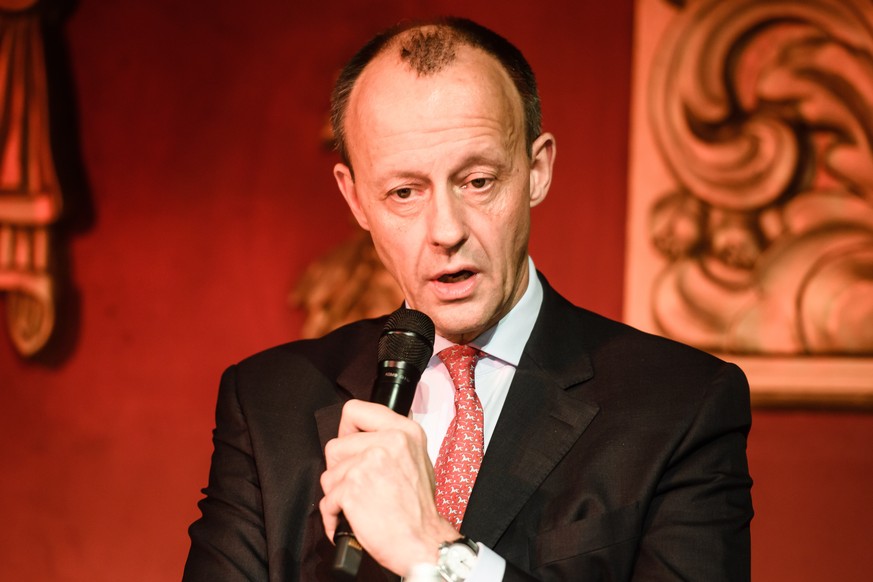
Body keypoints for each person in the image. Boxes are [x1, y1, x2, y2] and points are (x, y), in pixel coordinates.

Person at [183, 17, 753, 581]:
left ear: (536, 170)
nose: (446, 229)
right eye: (404, 192)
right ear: (355, 199)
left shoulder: (679, 405)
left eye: (477, 181)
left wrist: (435, 552)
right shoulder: (266, 404)